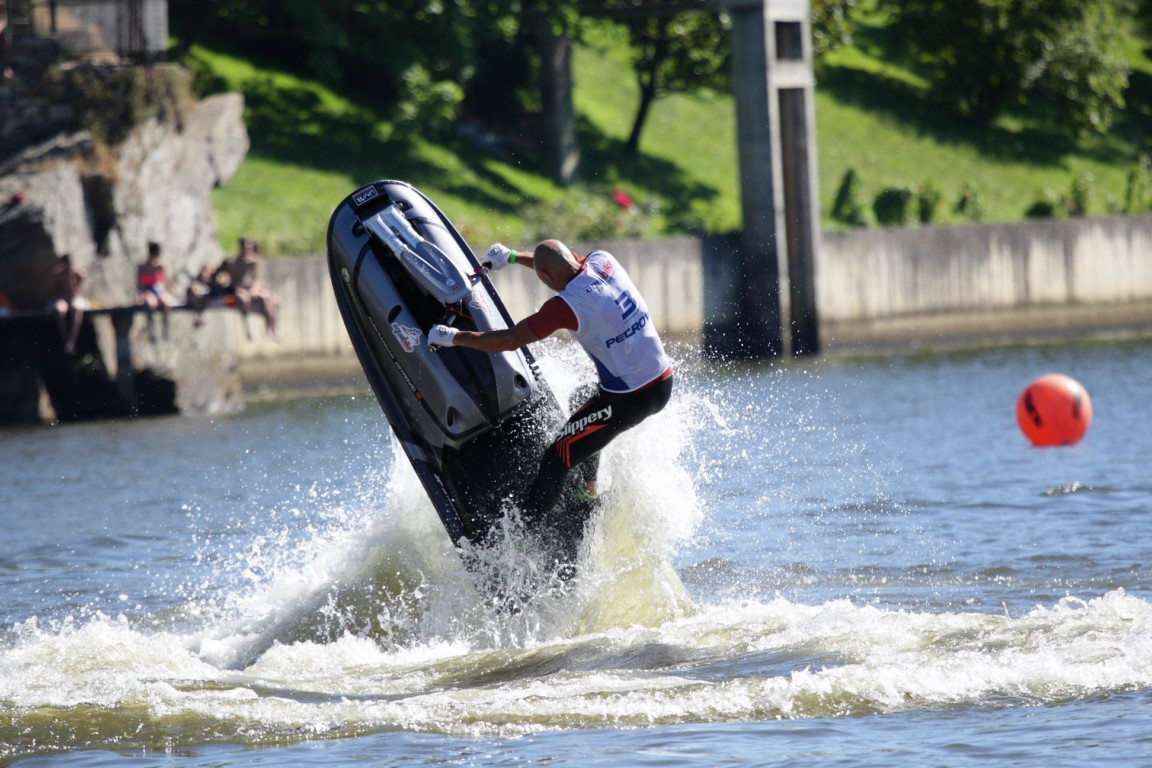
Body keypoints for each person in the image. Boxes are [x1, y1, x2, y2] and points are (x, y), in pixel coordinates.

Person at [429, 239, 673, 528]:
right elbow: (558, 263)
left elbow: (509, 340)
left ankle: (523, 538)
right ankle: (588, 489)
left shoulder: (565, 306)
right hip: (662, 379)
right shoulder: (602, 260)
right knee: (580, 398)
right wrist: (511, 257)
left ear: (544, 277)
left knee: (557, 457)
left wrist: (454, 337)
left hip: (631, 399)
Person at [213, 237, 279, 339]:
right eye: (247, 248)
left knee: (272, 300)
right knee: (244, 299)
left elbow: (257, 279)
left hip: (253, 289)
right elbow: (218, 273)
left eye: (250, 247)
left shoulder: (254, 261)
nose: (249, 250)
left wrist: (254, 290)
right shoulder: (232, 261)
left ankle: (271, 330)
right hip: (239, 290)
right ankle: (248, 328)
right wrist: (221, 282)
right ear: (241, 248)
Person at [136, 241, 177, 340]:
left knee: (166, 303)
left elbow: (166, 281)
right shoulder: (142, 266)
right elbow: (139, 283)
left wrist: (173, 292)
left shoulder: (160, 266)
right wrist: (140, 295)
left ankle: (165, 330)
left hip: (158, 289)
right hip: (148, 289)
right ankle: (151, 330)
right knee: (150, 304)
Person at [47, 254, 87, 354]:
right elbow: (53, 289)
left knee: (76, 309)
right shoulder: (58, 274)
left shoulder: (77, 273)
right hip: (62, 297)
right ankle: (65, 339)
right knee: (60, 310)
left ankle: (72, 340)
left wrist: (73, 273)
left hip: (74, 297)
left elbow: (81, 282)